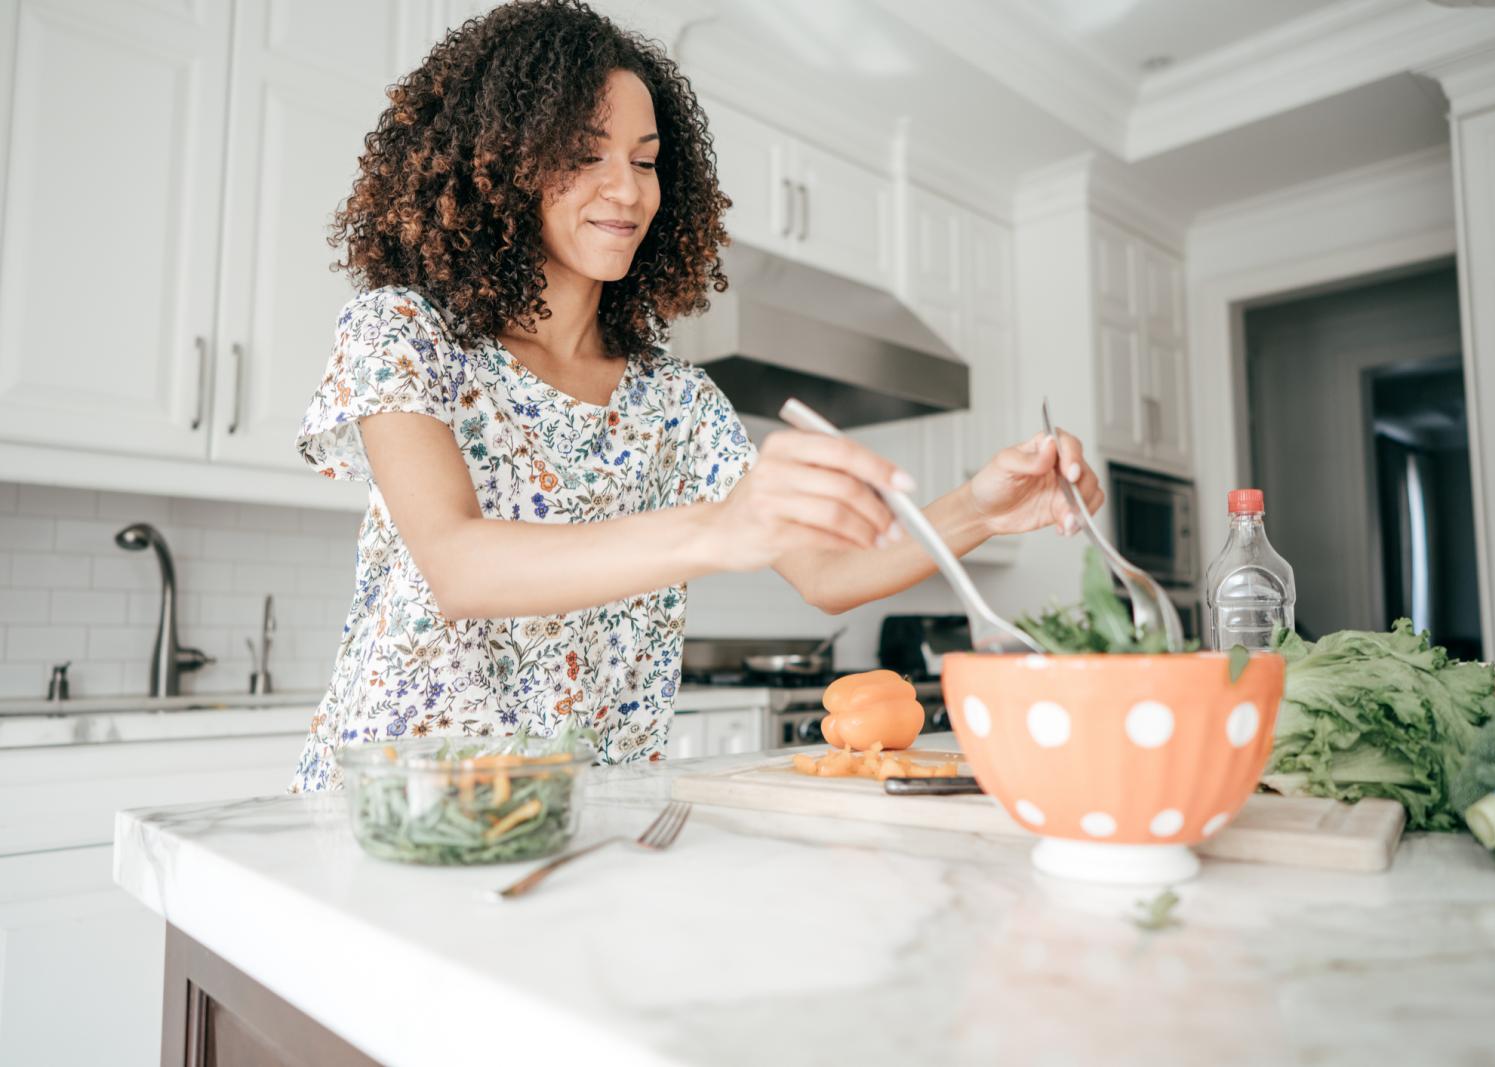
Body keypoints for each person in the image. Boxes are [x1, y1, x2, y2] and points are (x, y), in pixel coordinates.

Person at [290, 0, 1102, 791]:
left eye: (644, 161)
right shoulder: (405, 333)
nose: (626, 189)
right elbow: (458, 565)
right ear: (501, 164)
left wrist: (981, 509)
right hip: (397, 807)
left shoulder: (674, 402)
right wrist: (720, 528)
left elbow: (825, 572)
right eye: (584, 154)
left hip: (585, 812)